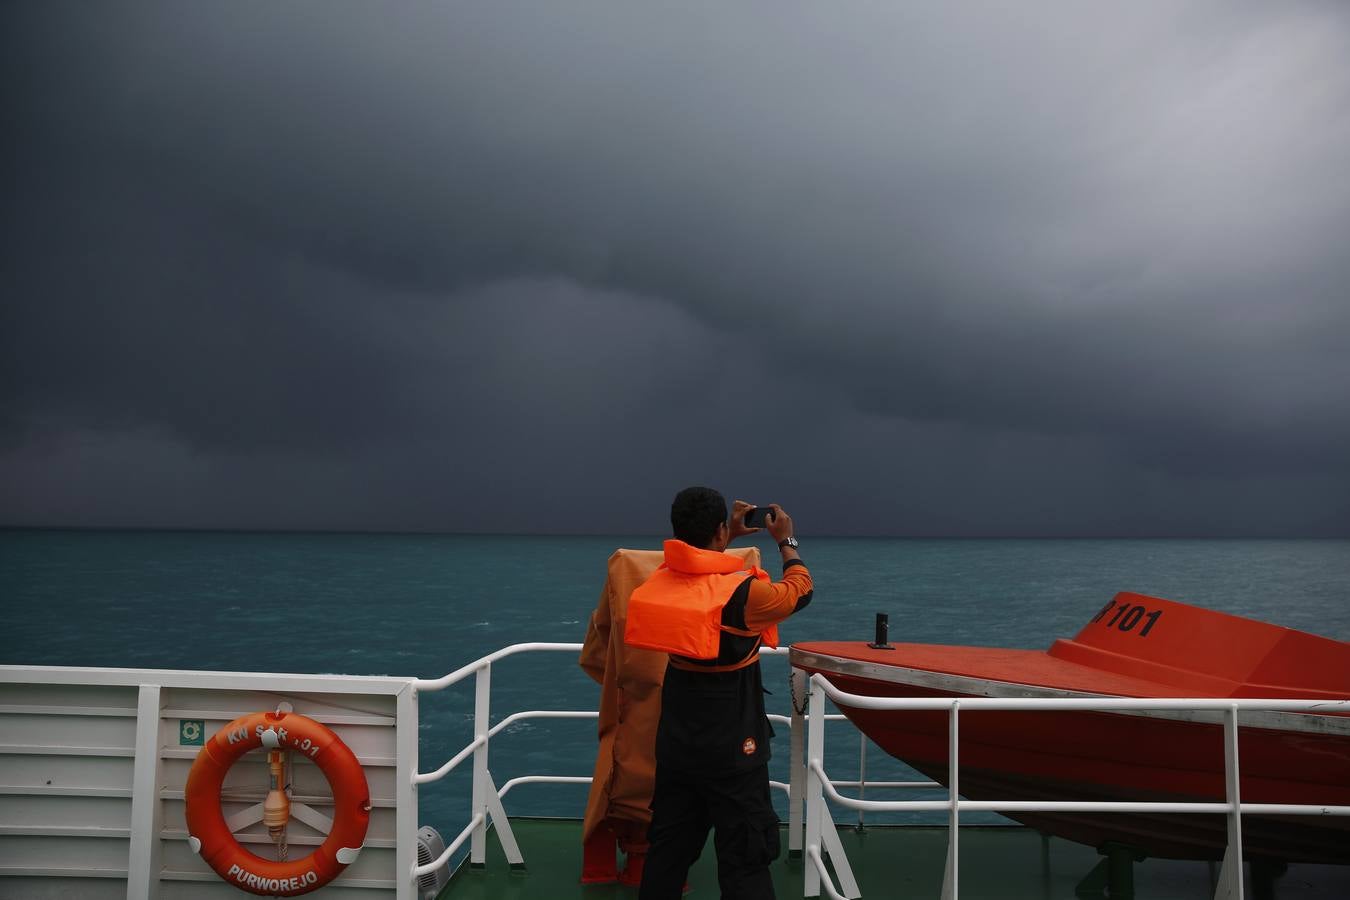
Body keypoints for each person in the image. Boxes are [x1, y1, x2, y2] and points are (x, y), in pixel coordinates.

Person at [624, 486, 814, 900]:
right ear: (718, 530)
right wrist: (786, 541)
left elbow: (693, 568)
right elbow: (801, 588)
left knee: (669, 851)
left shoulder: (658, 584)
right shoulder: (745, 595)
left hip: (677, 744)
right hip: (734, 747)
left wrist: (724, 535)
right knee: (745, 856)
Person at [576, 542, 762, 885]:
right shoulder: (741, 582)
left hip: (647, 738)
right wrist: (787, 544)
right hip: (725, 737)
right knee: (743, 846)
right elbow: (794, 596)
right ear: (719, 530)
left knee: (669, 838)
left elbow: (596, 655)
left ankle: (621, 864)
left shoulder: (629, 577)